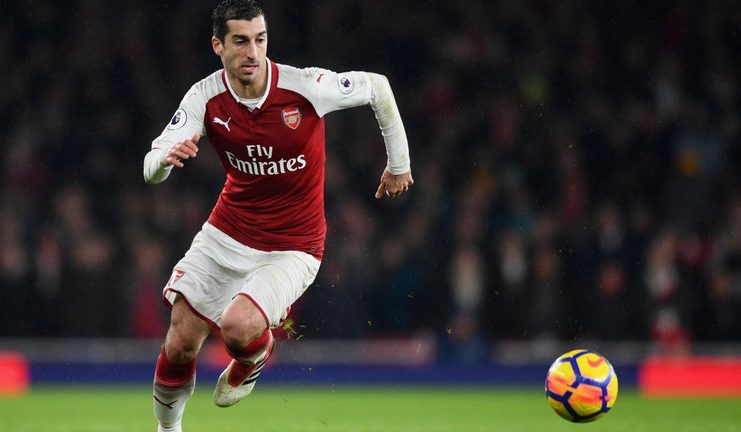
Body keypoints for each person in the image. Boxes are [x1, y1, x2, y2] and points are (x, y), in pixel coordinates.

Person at [142, 1, 413, 431]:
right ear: (218, 46)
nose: (253, 52)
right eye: (240, 41)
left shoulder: (306, 86)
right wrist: (164, 161)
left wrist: (398, 164)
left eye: (260, 40)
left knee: (237, 328)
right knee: (180, 340)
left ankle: (254, 354)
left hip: (293, 246)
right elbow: (150, 167)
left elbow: (377, 87)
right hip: (227, 231)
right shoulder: (204, 97)